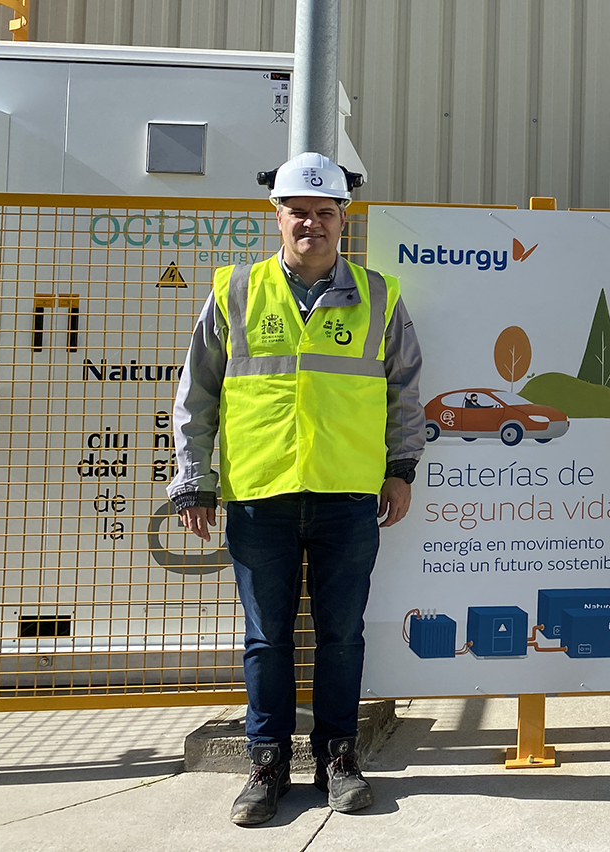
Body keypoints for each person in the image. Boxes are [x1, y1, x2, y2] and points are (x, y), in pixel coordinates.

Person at [169, 151, 425, 826]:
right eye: (298, 212)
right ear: (276, 217)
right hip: (260, 496)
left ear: (345, 219)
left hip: (348, 496)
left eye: (324, 212)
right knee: (266, 639)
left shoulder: (380, 296)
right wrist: (196, 482)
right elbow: (195, 395)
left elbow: (404, 391)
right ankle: (266, 764)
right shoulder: (237, 290)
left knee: (342, 636)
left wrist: (401, 468)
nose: (311, 223)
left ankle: (339, 759)